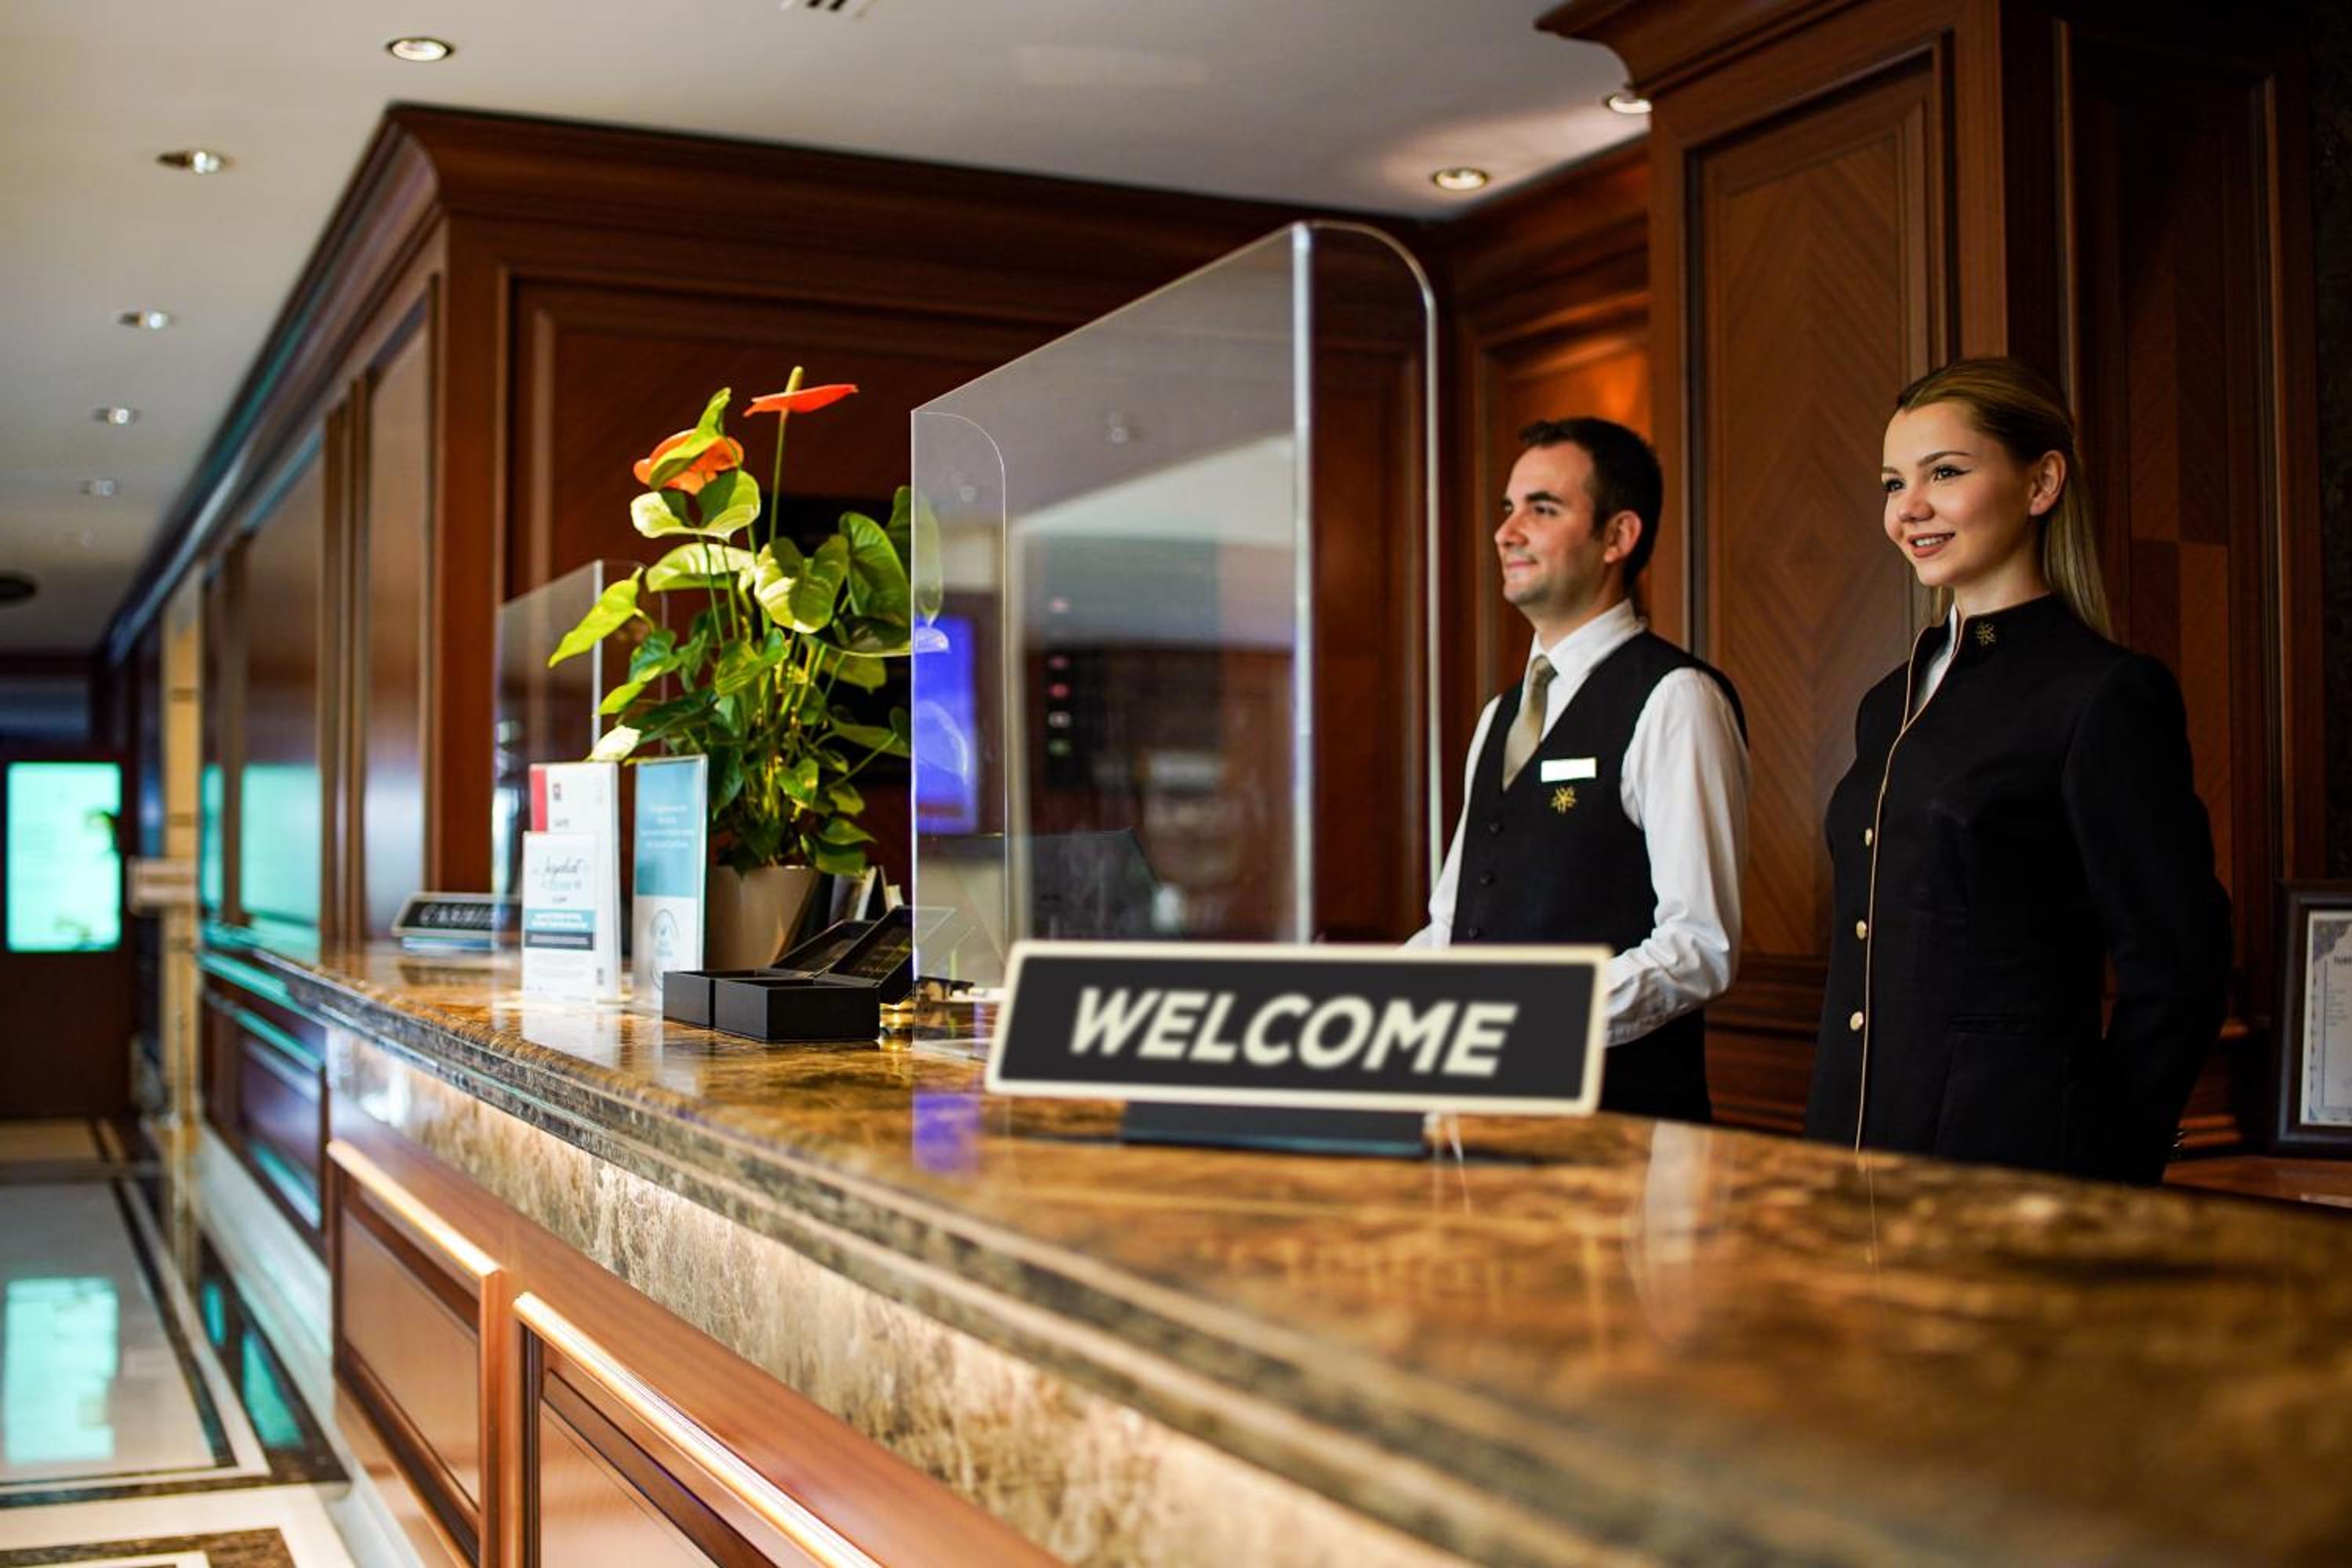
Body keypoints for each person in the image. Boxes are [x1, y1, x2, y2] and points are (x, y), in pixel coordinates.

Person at [1803, 357, 2230, 1183]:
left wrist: (2106, 1169)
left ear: (2041, 483)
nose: (1909, 507)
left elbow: (2178, 967)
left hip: (2011, 1167)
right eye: (1893, 483)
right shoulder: (1888, 700)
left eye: (1945, 472)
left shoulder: (2104, 693)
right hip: (1849, 1152)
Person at [1410, 418, 1750, 1122]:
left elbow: (1699, 947)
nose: (1506, 533)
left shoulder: (1676, 698)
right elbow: (1452, 925)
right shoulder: (1499, 716)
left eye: (1542, 509)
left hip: (1618, 1134)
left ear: (1618, 536)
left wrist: (1524, 1021)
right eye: (1508, 509)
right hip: (1481, 1128)